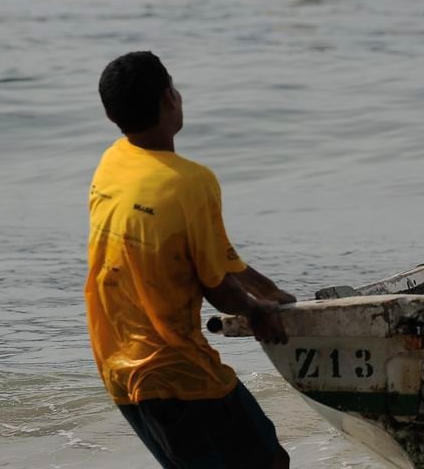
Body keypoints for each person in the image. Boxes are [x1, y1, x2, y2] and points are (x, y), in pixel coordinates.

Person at [85, 51, 296, 468]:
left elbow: (208, 254)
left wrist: (266, 289)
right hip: (175, 370)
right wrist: (256, 312)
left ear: (114, 117)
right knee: (269, 462)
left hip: (116, 364)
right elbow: (215, 286)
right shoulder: (191, 183)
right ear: (169, 98)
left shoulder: (112, 163)